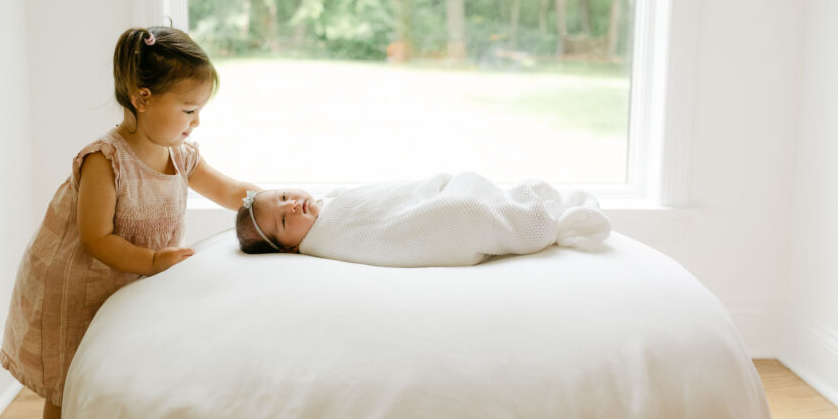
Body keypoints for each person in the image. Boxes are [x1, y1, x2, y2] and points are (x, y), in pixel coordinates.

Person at [0, 26, 259, 419]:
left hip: (131, 279)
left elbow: (228, 189)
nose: (195, 122)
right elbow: (96, 237)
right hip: (79, 280)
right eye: (189, 110)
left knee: (121, 363)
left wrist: (271, 200)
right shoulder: (105, 160)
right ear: (143, 99)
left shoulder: (179, 154)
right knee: (70, 376)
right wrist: (156, 262)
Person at [236, 173, 611, 268]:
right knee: (461, 212)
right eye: (283, 221)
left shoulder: (328, 205)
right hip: (439, 219)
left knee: (456, 194)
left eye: (284, 197)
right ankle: (536, 223)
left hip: (429, 198)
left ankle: (503, 209)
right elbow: (386, 231)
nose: (292, 207)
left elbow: (387, 198)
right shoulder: (328, 239)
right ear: (290, 247)